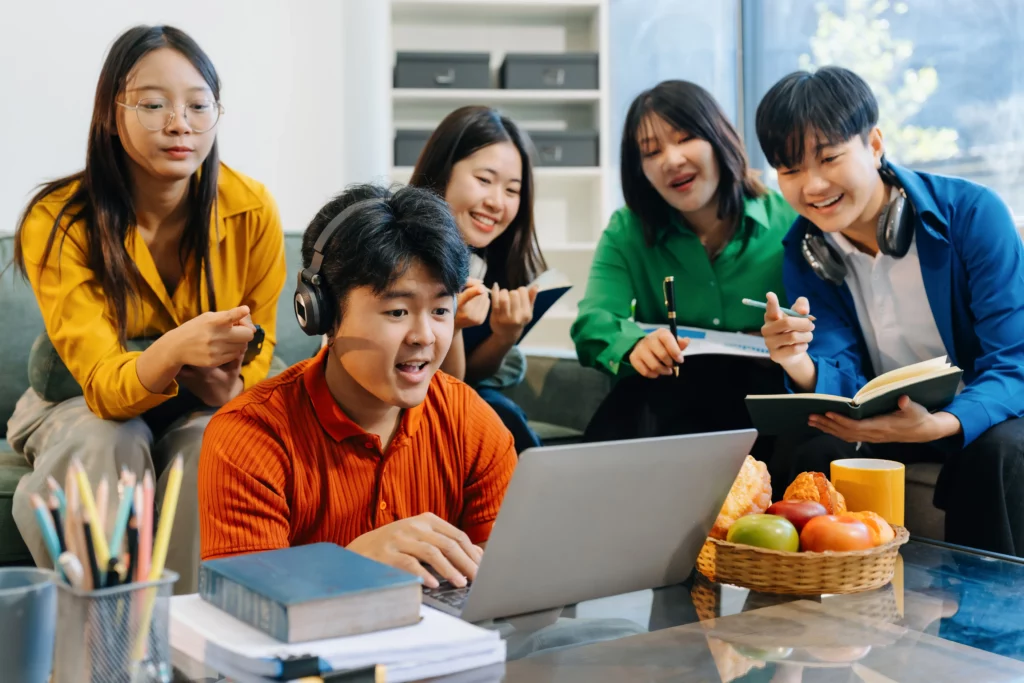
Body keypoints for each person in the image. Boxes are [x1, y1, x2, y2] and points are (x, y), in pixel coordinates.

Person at [10, 25, 286, 592]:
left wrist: (231, 392)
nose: (178, 123)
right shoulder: (58, 219)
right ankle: (105, 647)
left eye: (197, 105)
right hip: (79, 401)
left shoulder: (252, 209)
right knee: (108, 439)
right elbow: (101, 384)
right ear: (112, 113)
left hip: (203, 403)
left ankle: (192, 648)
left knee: (211, 443)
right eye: (154, 104)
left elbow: (261, 348)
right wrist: (173, 352)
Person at [755, 66, 1024, 556]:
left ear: (875, 144)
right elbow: (842, 370)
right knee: (808, 452)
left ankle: (989, 629)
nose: (812, 186)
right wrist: (797, 362)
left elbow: (1014, 361)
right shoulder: (804, 250)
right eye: (790, 170)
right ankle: (803, 622)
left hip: (983, 410)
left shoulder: (972, 215)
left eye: (830, 158)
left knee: (999, 454)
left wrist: (943, 423)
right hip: (888, 417)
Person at [198, 183, 517, 589]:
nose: (424, 336)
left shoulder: (471, 423)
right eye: (397, 311)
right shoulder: (250, 438)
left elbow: (512, 583)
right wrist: (350, 566)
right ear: (322, 311)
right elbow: (245, 610)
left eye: (440, 310)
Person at [570, 80, 796, 456]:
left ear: (719, 137)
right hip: (670, 402)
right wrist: (634, 346)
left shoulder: (789, 220)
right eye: (651, 150)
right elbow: (593, 321)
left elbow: (831, 324)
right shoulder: (627, 230)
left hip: (769, 403)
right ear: (639, 168)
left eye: (686, 137)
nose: (671, 160)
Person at [408, 105, 546, 454]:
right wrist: (451, 325)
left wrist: (504, 336)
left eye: (512, 191)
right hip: (402, 399)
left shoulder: (482, 260)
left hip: (451, 397)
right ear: (443, 172)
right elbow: (442, 389)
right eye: (484, 180)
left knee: (498, 410)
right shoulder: (399, 249)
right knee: (496, 412)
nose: (497, 202)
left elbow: (467, 377)